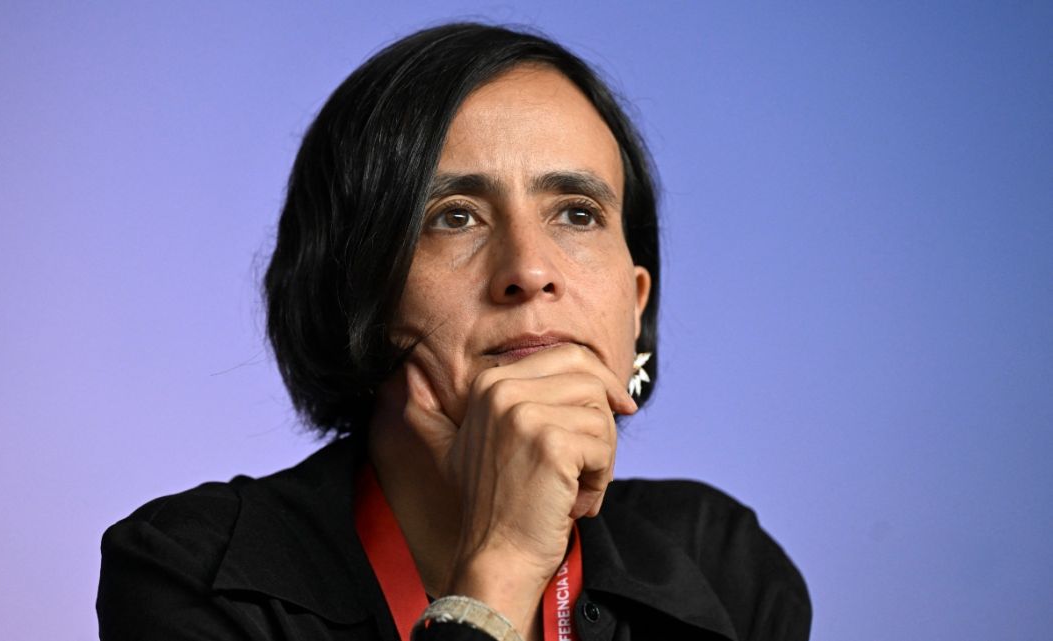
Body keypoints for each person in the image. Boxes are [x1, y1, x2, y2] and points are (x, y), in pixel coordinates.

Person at [97, 23, 811, 641]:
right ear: (354, 291)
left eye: (578, 213)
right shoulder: (192, 568)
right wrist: (499, 564)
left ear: (634, 303)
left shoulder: (721, 561)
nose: (530, 270)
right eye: (455, 216)